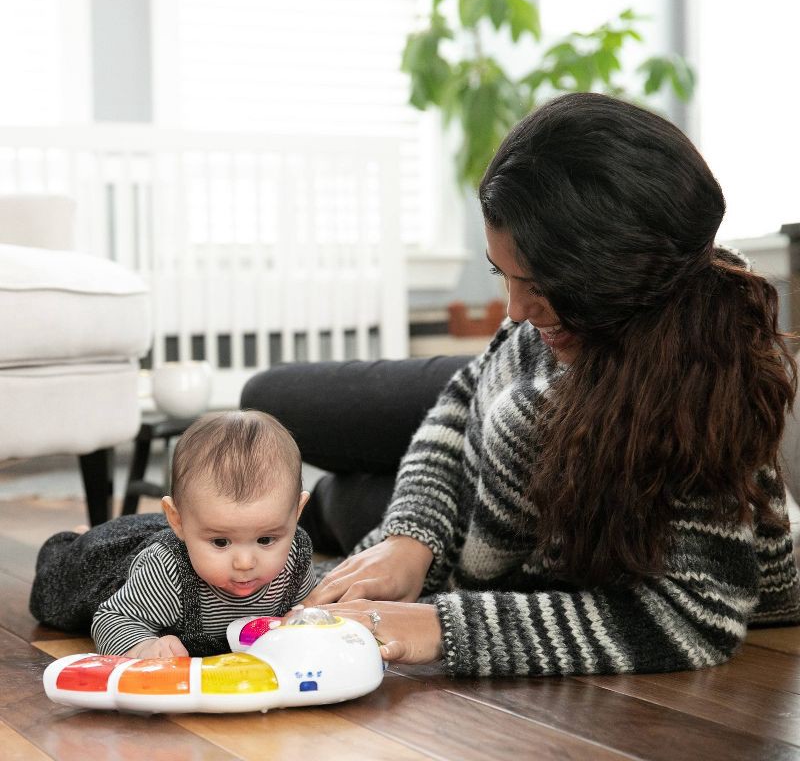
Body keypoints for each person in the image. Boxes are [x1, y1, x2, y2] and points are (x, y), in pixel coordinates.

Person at [242, 92, 800, 677]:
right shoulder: (564, 320)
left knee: (338, 498)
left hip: (508, 492)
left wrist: (441, 624)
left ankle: (349, 515)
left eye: (532, 282)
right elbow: (465, 394)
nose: (512, 311)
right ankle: (391, 525)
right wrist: (411, 538)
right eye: (502, 275)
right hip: (496, 426)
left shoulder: (694, 385)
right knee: (270, 403)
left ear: (611, 271)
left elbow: (692, 619)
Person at [30, 410, 314, 658]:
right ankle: (73, 540)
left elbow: (310, 606)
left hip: (173, 532)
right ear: (178, 520)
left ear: (296, 512)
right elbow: (113, 617)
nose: (244, 562)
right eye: (220, 542)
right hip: (105, 565)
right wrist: (142, 646)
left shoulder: (296, 554)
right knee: (57, 588)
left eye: (265, 540)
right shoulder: (166, 569)